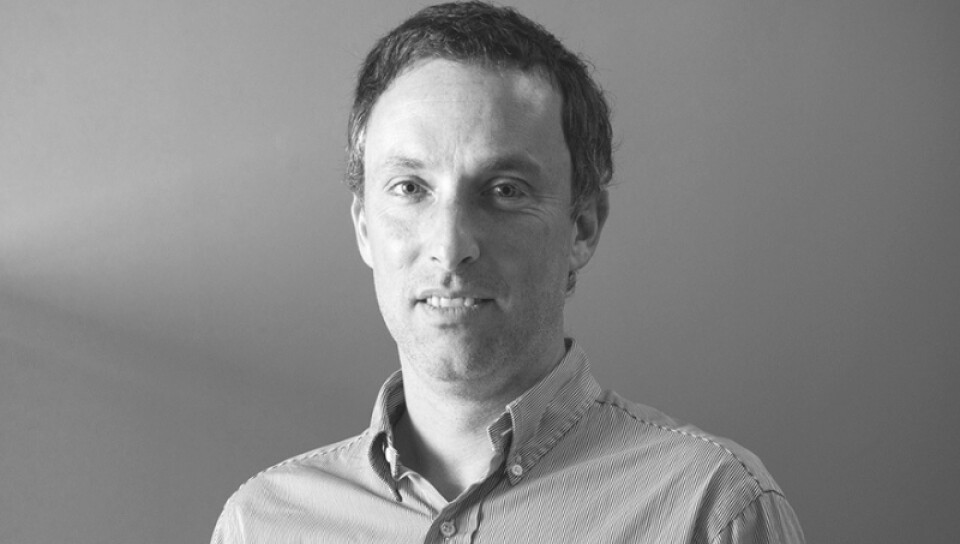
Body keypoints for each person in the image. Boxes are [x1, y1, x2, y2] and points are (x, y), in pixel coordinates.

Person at [211, 2, 805, 542]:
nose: (451, 246)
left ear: (582, 228)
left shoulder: (713, 510)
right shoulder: (260, 525)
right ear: (365, 226)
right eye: (410, 188)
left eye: (504, 189)